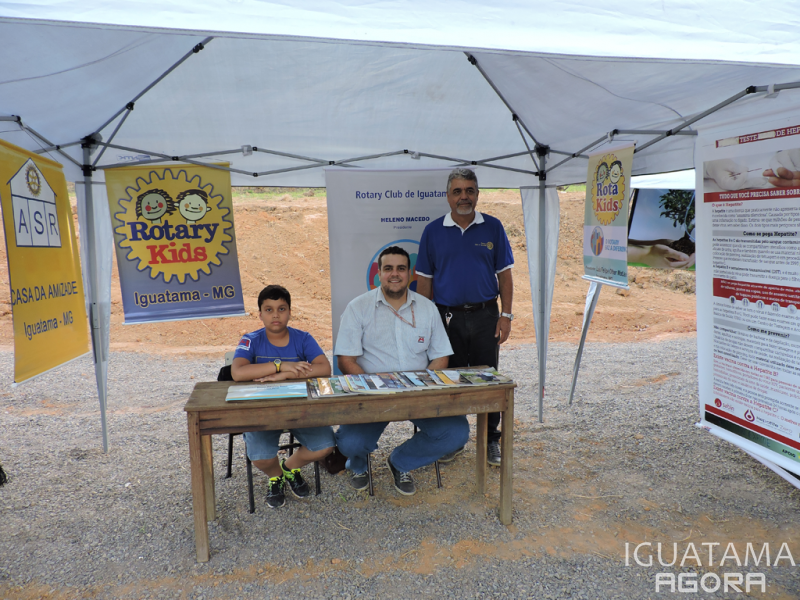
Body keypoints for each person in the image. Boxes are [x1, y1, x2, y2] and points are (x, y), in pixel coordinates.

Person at [334, 246, 469, 496]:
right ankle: (358, 465)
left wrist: (423, 389)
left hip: (418, 395)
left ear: (409, 273)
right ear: (379, 273)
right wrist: (371, 390)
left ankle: (401, 462)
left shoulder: (427, 308)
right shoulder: (358, 307)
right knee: (350, 443)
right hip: (374, 396)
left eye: (401, 268)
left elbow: (441, 356)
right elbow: (345, 360)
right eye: (388, 268)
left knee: (456, 433)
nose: (394, 274)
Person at [415, 168, 514, 467]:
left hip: (486, 315)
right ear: (448, 196)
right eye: (457, 191)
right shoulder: (432, 231)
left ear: (478, 194)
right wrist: (426, 325)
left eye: (470, 190)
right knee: (450, 380)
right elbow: (424, 283)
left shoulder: (493, 227)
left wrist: (506, 315)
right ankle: (453, 440)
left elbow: (505, 276)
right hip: (447, 319)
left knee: (489, 379)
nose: (464, 197)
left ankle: (490, 439)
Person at [231, 284, 334, 509]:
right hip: (262, 412)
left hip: (301, 410)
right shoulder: (251, 340)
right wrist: (280, 365)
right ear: (260, 314)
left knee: (325, 446)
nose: (275, 315)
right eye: (268, 309)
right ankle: (275, 475)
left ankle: (289, 468)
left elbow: (324, 368)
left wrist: (285, 375)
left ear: (290, 312)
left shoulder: (303, 338)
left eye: (281, 309)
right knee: (260, 457)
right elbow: (238, 372)